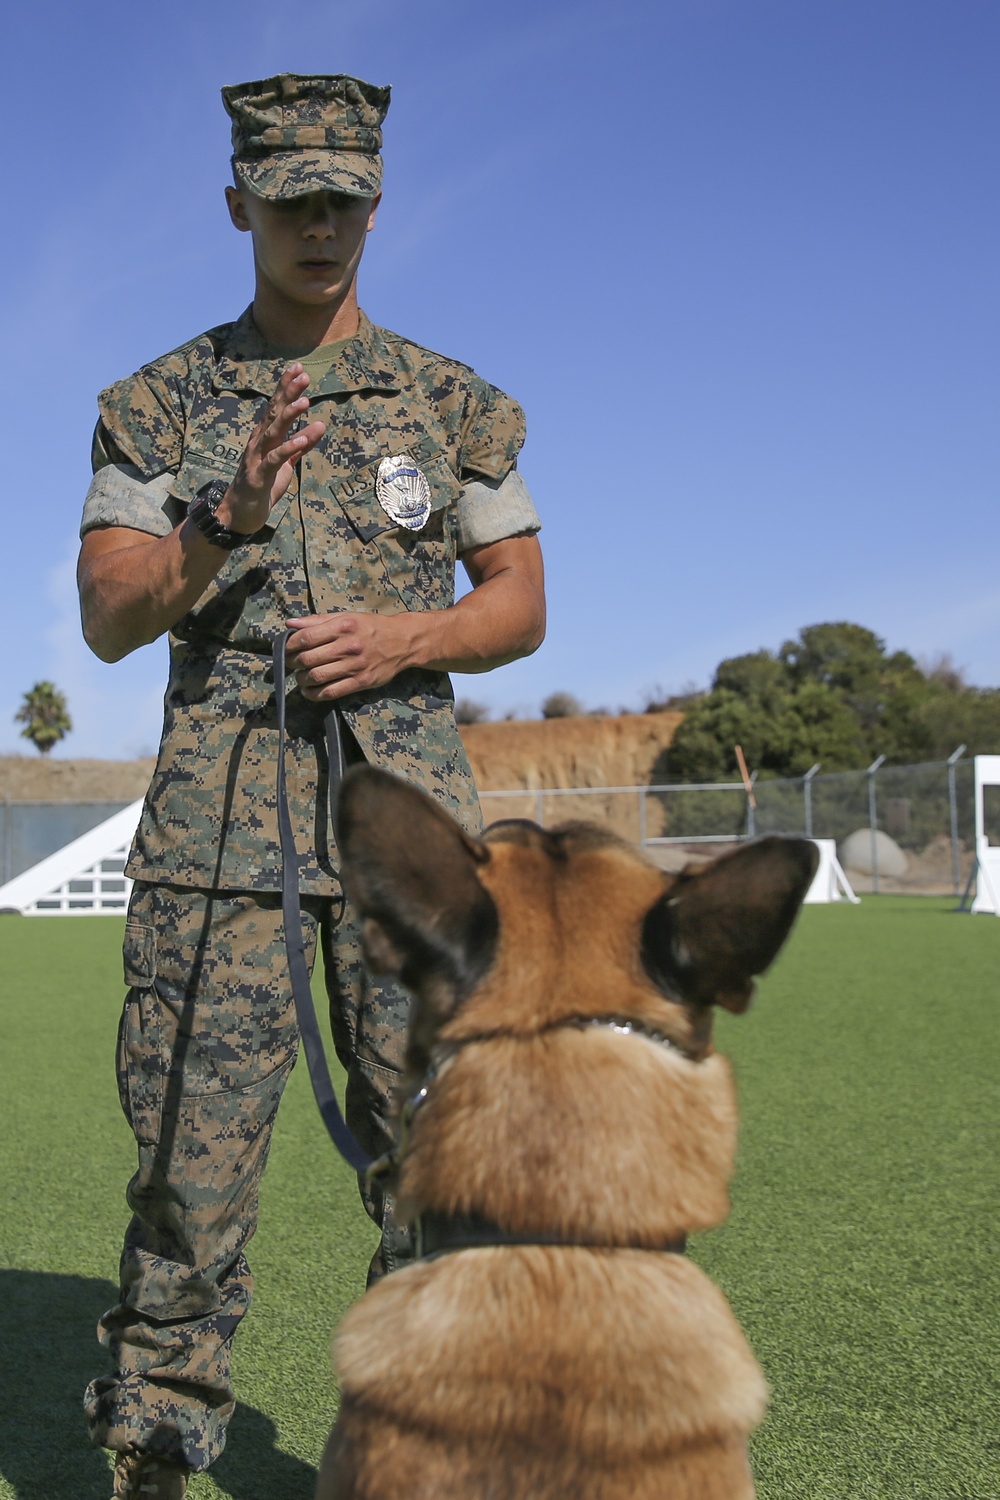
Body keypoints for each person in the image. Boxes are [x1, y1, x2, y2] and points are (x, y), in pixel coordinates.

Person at [76, 72, 545, 1500]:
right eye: (291, 201)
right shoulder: (153, 407)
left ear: (378, 201)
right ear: (240, 207)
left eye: (344, 197)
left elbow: (519, 606)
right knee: (186, 1190)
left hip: (411, 858)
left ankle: (430, 1451)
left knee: (439, 1176)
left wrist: (411, 634)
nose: (320, 224)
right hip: (221, 854)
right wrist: (227, 518)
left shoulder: (452, 402)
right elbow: (105, 614)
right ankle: (157, 1452)